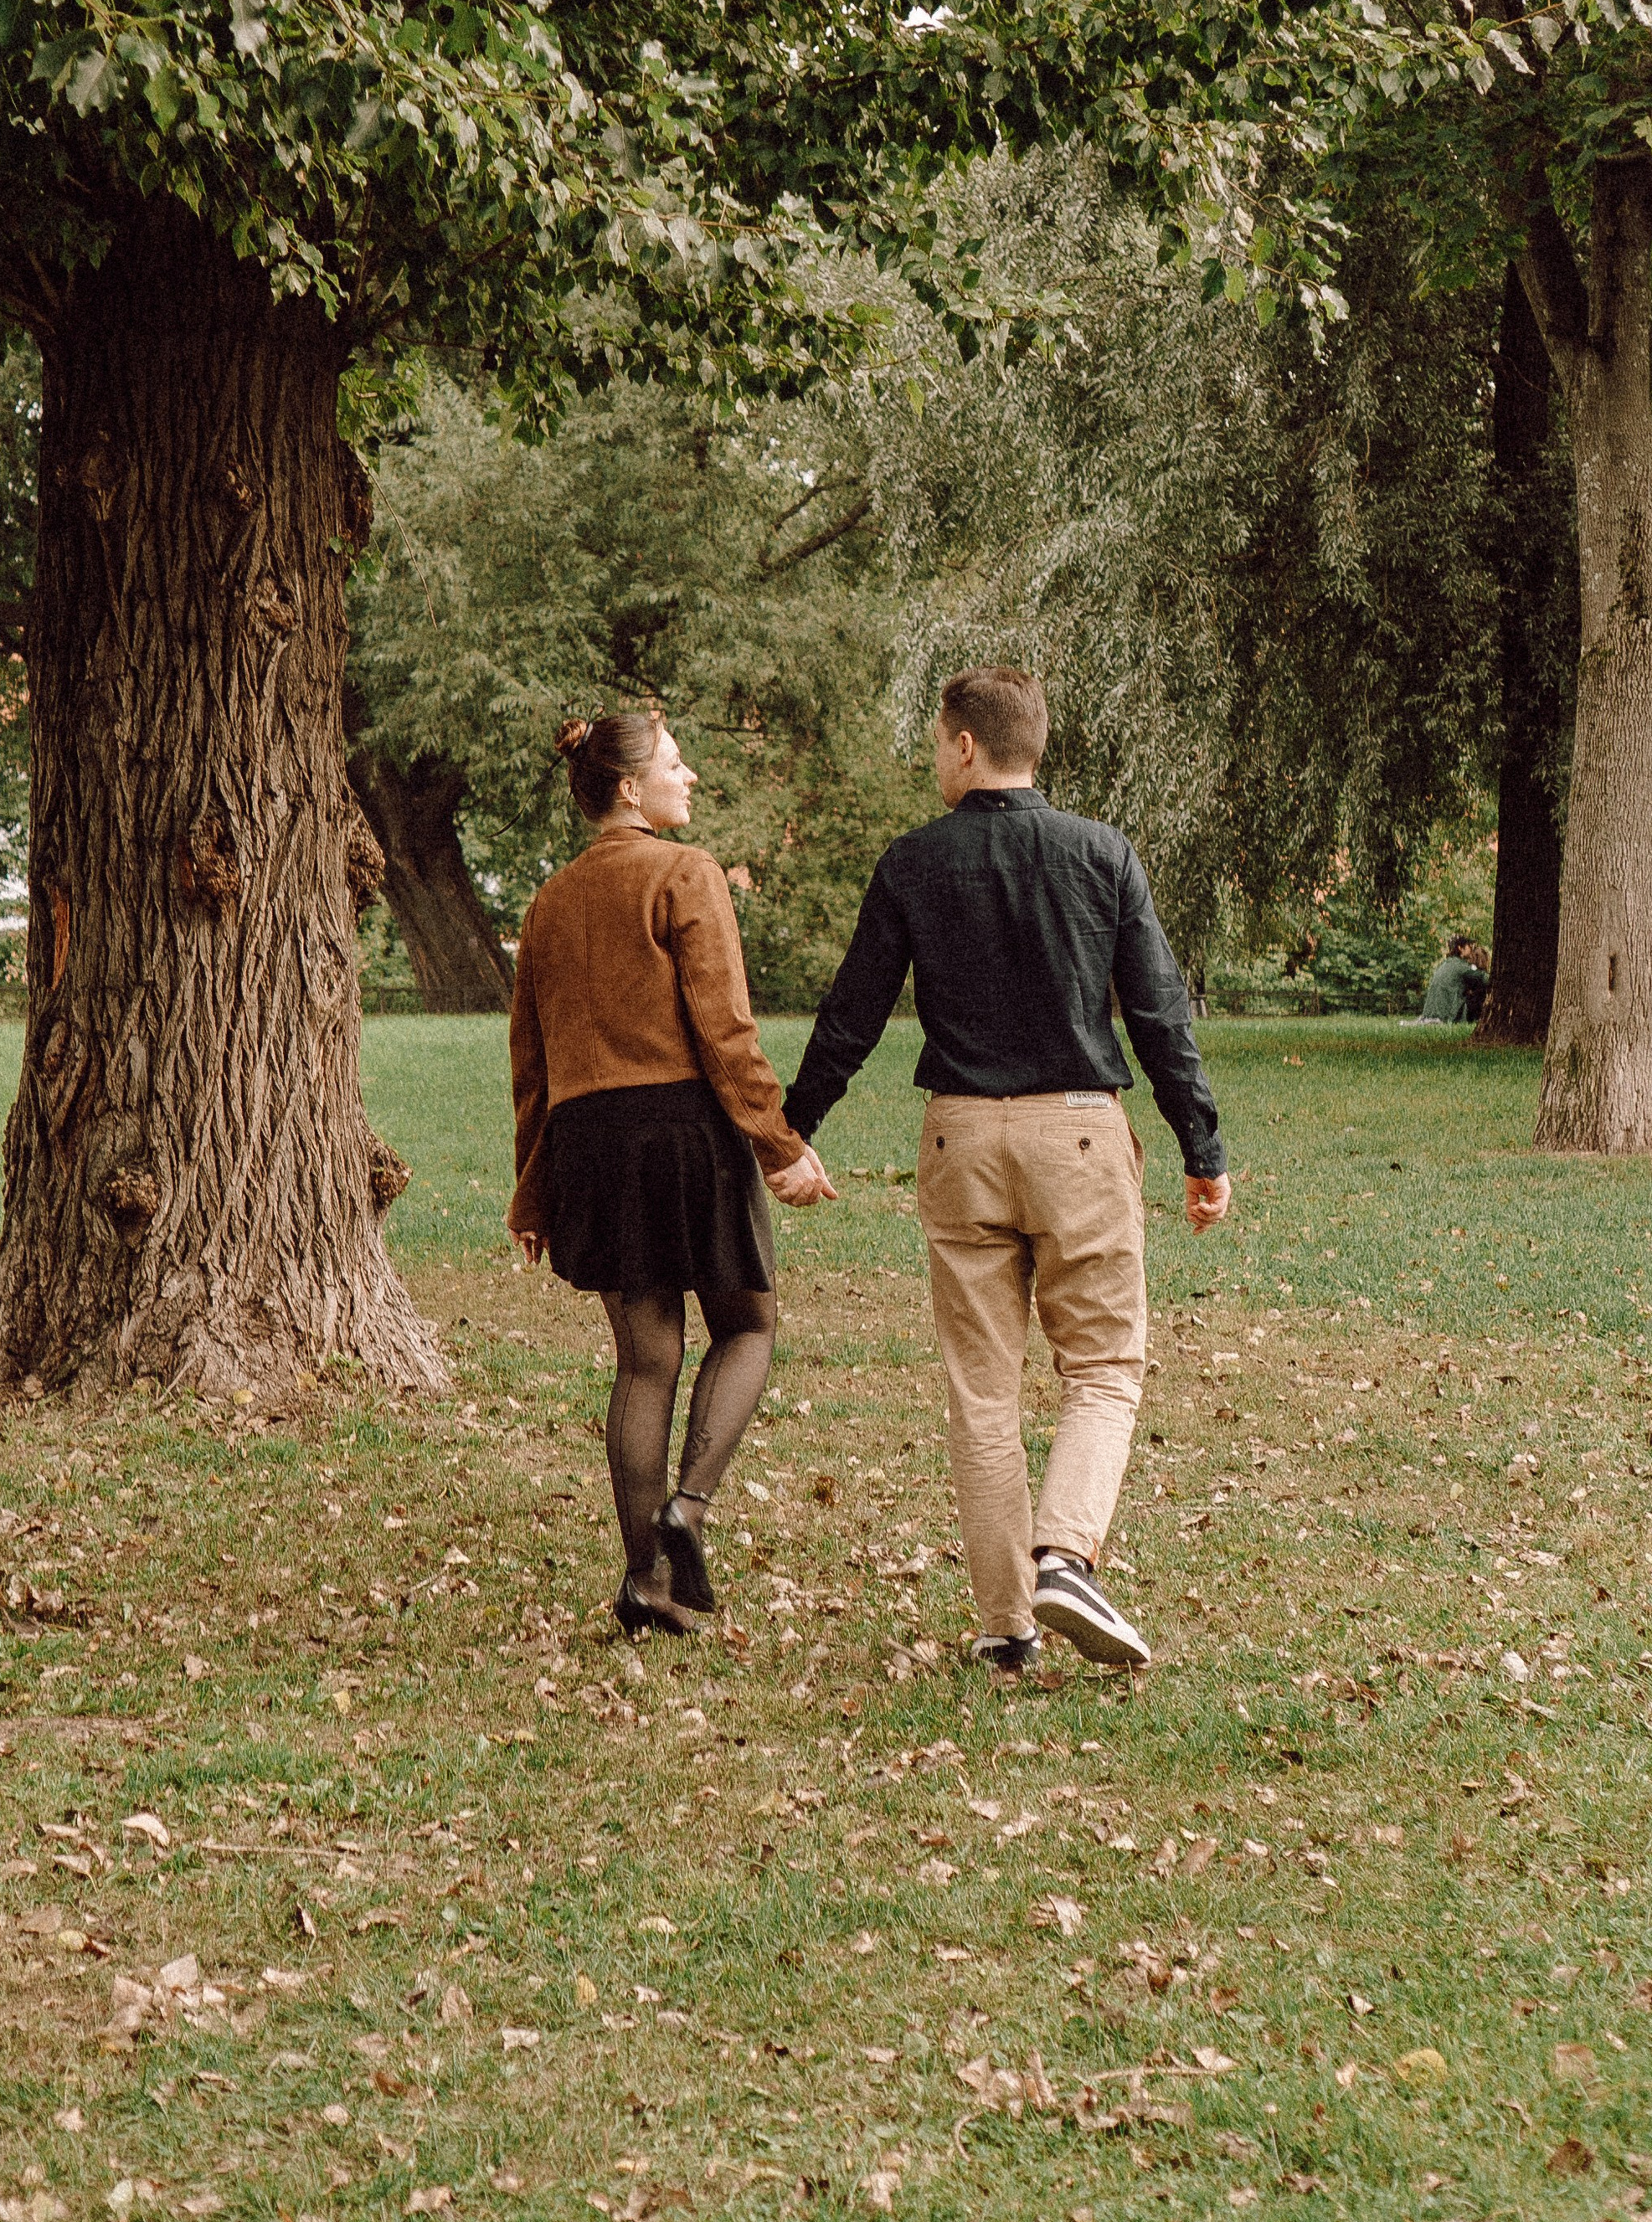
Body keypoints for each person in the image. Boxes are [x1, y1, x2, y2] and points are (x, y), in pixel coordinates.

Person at [781, 666, 1229, 1678]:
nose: (935, 757)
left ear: (968, 746)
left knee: (983, 1391)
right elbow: (1159, 1012)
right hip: (1078, 1134)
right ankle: (1066, 1555)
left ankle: (1005, 1623)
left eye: (938, 742)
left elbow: (852, 1010)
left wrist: (794, 1128)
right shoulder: (1102, 855)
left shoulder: (913, 863)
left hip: (959, 1141)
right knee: (1104, 1366)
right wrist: (1201, 1150)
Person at [507, 709, 836, 1638]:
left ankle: (645, 1583)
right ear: (626, 787)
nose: (687, 779)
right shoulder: (683, 874)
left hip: (589, 1144)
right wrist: (780, 1147)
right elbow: (724, 1031)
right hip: (686, 1129)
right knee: (749, 1324)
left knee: (644, 1359)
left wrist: (533, 1189)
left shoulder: (545, 904)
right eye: (676, 765)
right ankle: (687, 1506)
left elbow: (530, 1064)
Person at [1417, 936, 1476, 1024]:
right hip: (1444, 1017)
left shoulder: (1447, 964)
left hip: (1431, 1014)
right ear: (1460, 948)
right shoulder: (1460, 966)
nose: (1472, 948)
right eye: (1469, 946)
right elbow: (1485, 979)